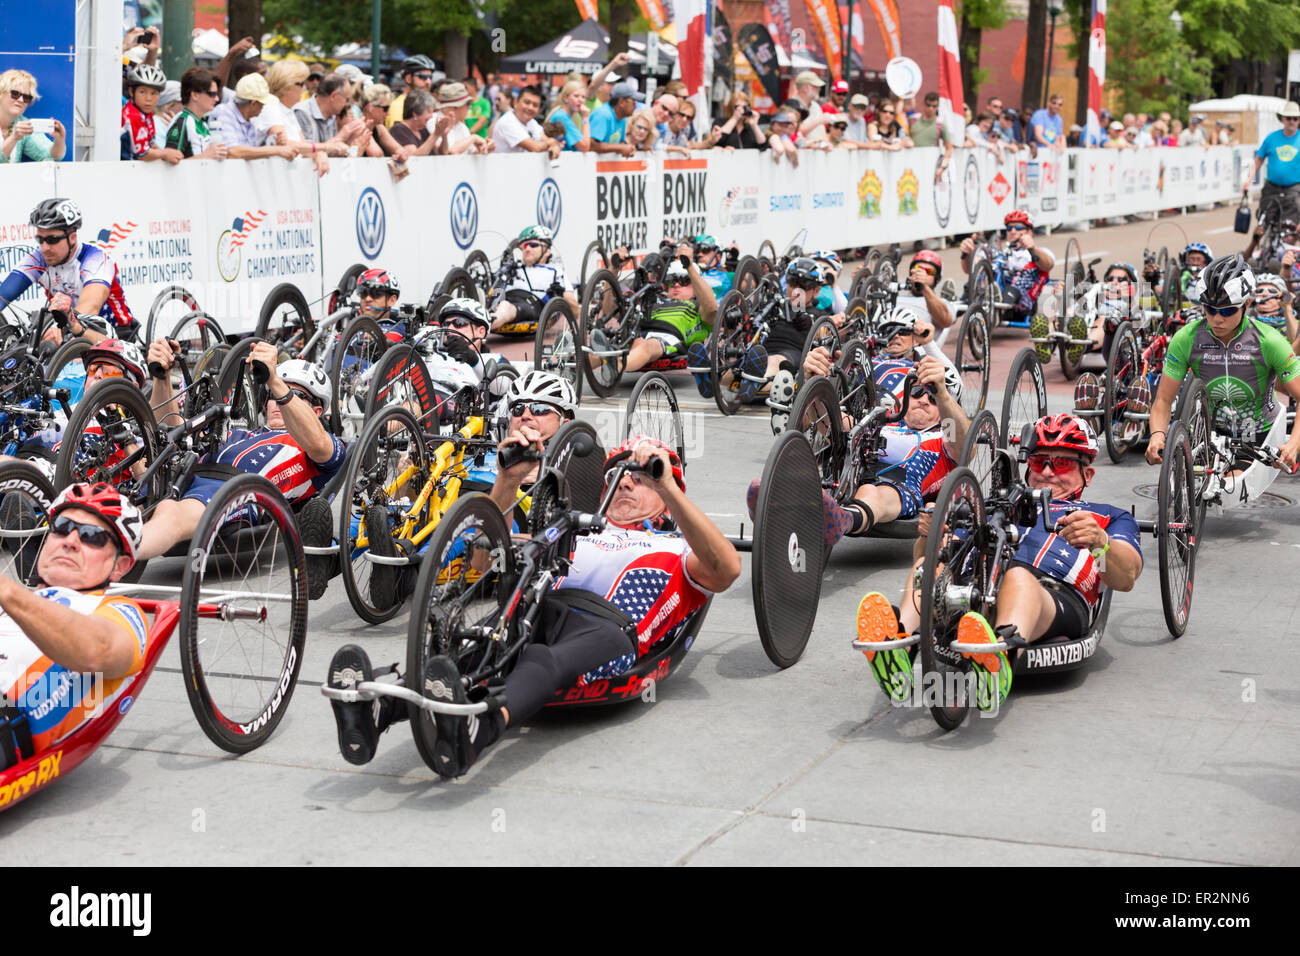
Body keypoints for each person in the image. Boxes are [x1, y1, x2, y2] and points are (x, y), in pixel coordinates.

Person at [326, 434, 740, 776]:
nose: (626, 483)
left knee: (543, 657)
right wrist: (508, 481)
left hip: (610, 629)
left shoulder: (678, 546)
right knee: (477, 650)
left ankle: (481, 729)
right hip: (541, 608)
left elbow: (727, 569)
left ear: (669, 500)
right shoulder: (574, 533)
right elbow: (485, 559)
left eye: (641, 478)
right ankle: (381, 707)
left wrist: (665, 480)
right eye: (617, 476)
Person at [856, 414, 1142, 713]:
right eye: (1038, 462)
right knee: (929, 567)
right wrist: (930, 535)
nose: (1047, 471)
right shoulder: (1000, 506)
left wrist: (1100, 543)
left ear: (1088, 474)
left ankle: (997, 662)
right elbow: (929, 558)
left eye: (1062, 464)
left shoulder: (1107, 515)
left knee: (1018, 578)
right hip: (976, 586)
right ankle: (899, 644)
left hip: (1053, 597)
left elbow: (1126, 577)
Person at [140, 342, 345, 598]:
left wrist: (276, 382)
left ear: (316, 410)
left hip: (234, 491)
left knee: (169, 511)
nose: (277, 401)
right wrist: (162, 377)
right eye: (273, 394)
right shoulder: (241, 430)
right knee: (132, 472)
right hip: (183, 474)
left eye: (297, 395)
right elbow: (170, 430)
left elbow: (320, 446)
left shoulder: (318, 445)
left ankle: (111, 553)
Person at [751, 348, 968, 552]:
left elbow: (964, 444)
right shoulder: (887, 421)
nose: (924, 400)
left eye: (933, 397)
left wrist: (943, 395)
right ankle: (777, 502)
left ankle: (843, 518)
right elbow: (834, 422)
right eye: (919, 391)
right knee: (840, 455)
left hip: (900, 488)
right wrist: (813, 381)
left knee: (873, 491)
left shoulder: (944, 437)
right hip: (852, 475)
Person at [0, 483, 152, 770]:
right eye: (61, 526)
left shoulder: (119, 611)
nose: (70, 540)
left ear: (119, 566)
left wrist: (9, 593)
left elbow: (99, 651)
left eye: (91, 536)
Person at [1146, 255, 1300, 477]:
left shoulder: (1270, 341)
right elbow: (1163, 400)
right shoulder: (1186, 339)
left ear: (1247, 304)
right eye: (1210, 309)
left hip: (1255, 431)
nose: (1217, 318)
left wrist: (1293, 443)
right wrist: (1157, 434)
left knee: (1228, 484)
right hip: (1209, 431)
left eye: (1227, 311)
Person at [0, 199, 134, 343]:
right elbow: (4, 294)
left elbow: (91, 305)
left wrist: (62, 328)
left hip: (112, 331)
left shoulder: (96, 257)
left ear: (72, 237)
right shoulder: (39, 259)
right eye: (40, 239)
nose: (44, 247)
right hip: (70, 334)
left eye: (52, 239)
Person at [960, 209, 1054, 325]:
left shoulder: (1038, 252)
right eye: (1009, 228)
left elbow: (1048, 265)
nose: (1013, 231)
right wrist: (967, 255)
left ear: (1029, 232)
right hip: (993, 291)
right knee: (983, 264)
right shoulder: (1000, 253)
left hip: (1020, 302)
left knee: (1012, 288)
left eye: (1018, 228)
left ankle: (995, 308)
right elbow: (967, 270)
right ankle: (953, 308)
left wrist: (1032, 248)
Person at [488, 225, 579, 334]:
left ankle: (481, 325)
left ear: (547, 251)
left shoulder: (555, 271)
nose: (527, 249)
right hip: (503, 300)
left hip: (530, 304)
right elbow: (495, 292)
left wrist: (561, 294)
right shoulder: (514, 268)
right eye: (524, 245)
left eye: (533, 245)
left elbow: (575, 309)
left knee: (505, 307)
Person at [254, 59, 330, 176]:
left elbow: (304, 147)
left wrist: (318, 152)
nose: (305, 88)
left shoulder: (288, 110)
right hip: (274, 179)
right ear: (287, 84)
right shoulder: (271, 107)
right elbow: (282, 144)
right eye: (301, 83)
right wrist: (325, 147)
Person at [208, 73, 299, 162]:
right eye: (262, 104)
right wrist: (276, 150)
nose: (264, 107)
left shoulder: (250, 120)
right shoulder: (223, 112)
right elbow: (232, 151)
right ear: (253, 103)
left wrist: (275, 144)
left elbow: (250, 154)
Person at [1245, 102, 1300, 225]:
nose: (1291, 121)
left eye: (1295, 118)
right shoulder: (1271, 138)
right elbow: (1258, 160)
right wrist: (1248, 180)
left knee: (1291, 229)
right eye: (1288, 118)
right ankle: (1257, 244)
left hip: (1293, 189)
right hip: (1272, 187)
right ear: (1282, 119)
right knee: (1262, 225)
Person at [0, 69, 67, 163]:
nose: (21, 100)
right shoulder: (19, 130)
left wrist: (59, 139)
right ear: (1, 93)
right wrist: (14, 138)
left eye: (26, 97)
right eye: (15, 94)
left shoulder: (22, 124)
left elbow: (51, 157)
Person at [120, 64, 181, 164]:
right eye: (143, 92)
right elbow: (143, 154)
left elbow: (152, 144)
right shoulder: (133, 115)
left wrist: (167, 154)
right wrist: (165, 154)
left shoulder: (146, 113)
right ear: (131, 92)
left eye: (153, 93)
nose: (148, 99)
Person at [164, 67, 228, 160]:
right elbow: (169, 165)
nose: (217, 99)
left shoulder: (203, 124)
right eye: (212, 94)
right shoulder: (182, 122)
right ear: (195, 95)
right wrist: (205, 156)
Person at [491, 86, 561, 158]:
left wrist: (554, 145)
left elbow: (546, 139)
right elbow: (535, 147)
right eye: (527, 102)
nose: (530, 108)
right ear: (516, 102)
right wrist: (550, 143)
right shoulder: (507, 122)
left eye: (535, 105)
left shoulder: (531, 122)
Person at [589, 81, 642, 156]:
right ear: (621, 102)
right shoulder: (603, 114)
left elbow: (620, 143)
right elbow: (592, 145)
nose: (636, 106)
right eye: (633, 102)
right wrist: (620, 148)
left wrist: (628, 148)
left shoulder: (622, 117)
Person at [386, 55, 437, 129]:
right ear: (408, 78)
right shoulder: (398, 105)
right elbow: (399, 135)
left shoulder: (426, 103)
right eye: (423, 77)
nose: (428, 82)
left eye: (430, 77)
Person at [546, 78, 591, 152]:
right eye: (576, 96)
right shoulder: (561, 117)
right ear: (565, 98)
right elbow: (585, 147)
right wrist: (585, 118)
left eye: (583, 97)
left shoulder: (568, 116)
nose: (580, 100)